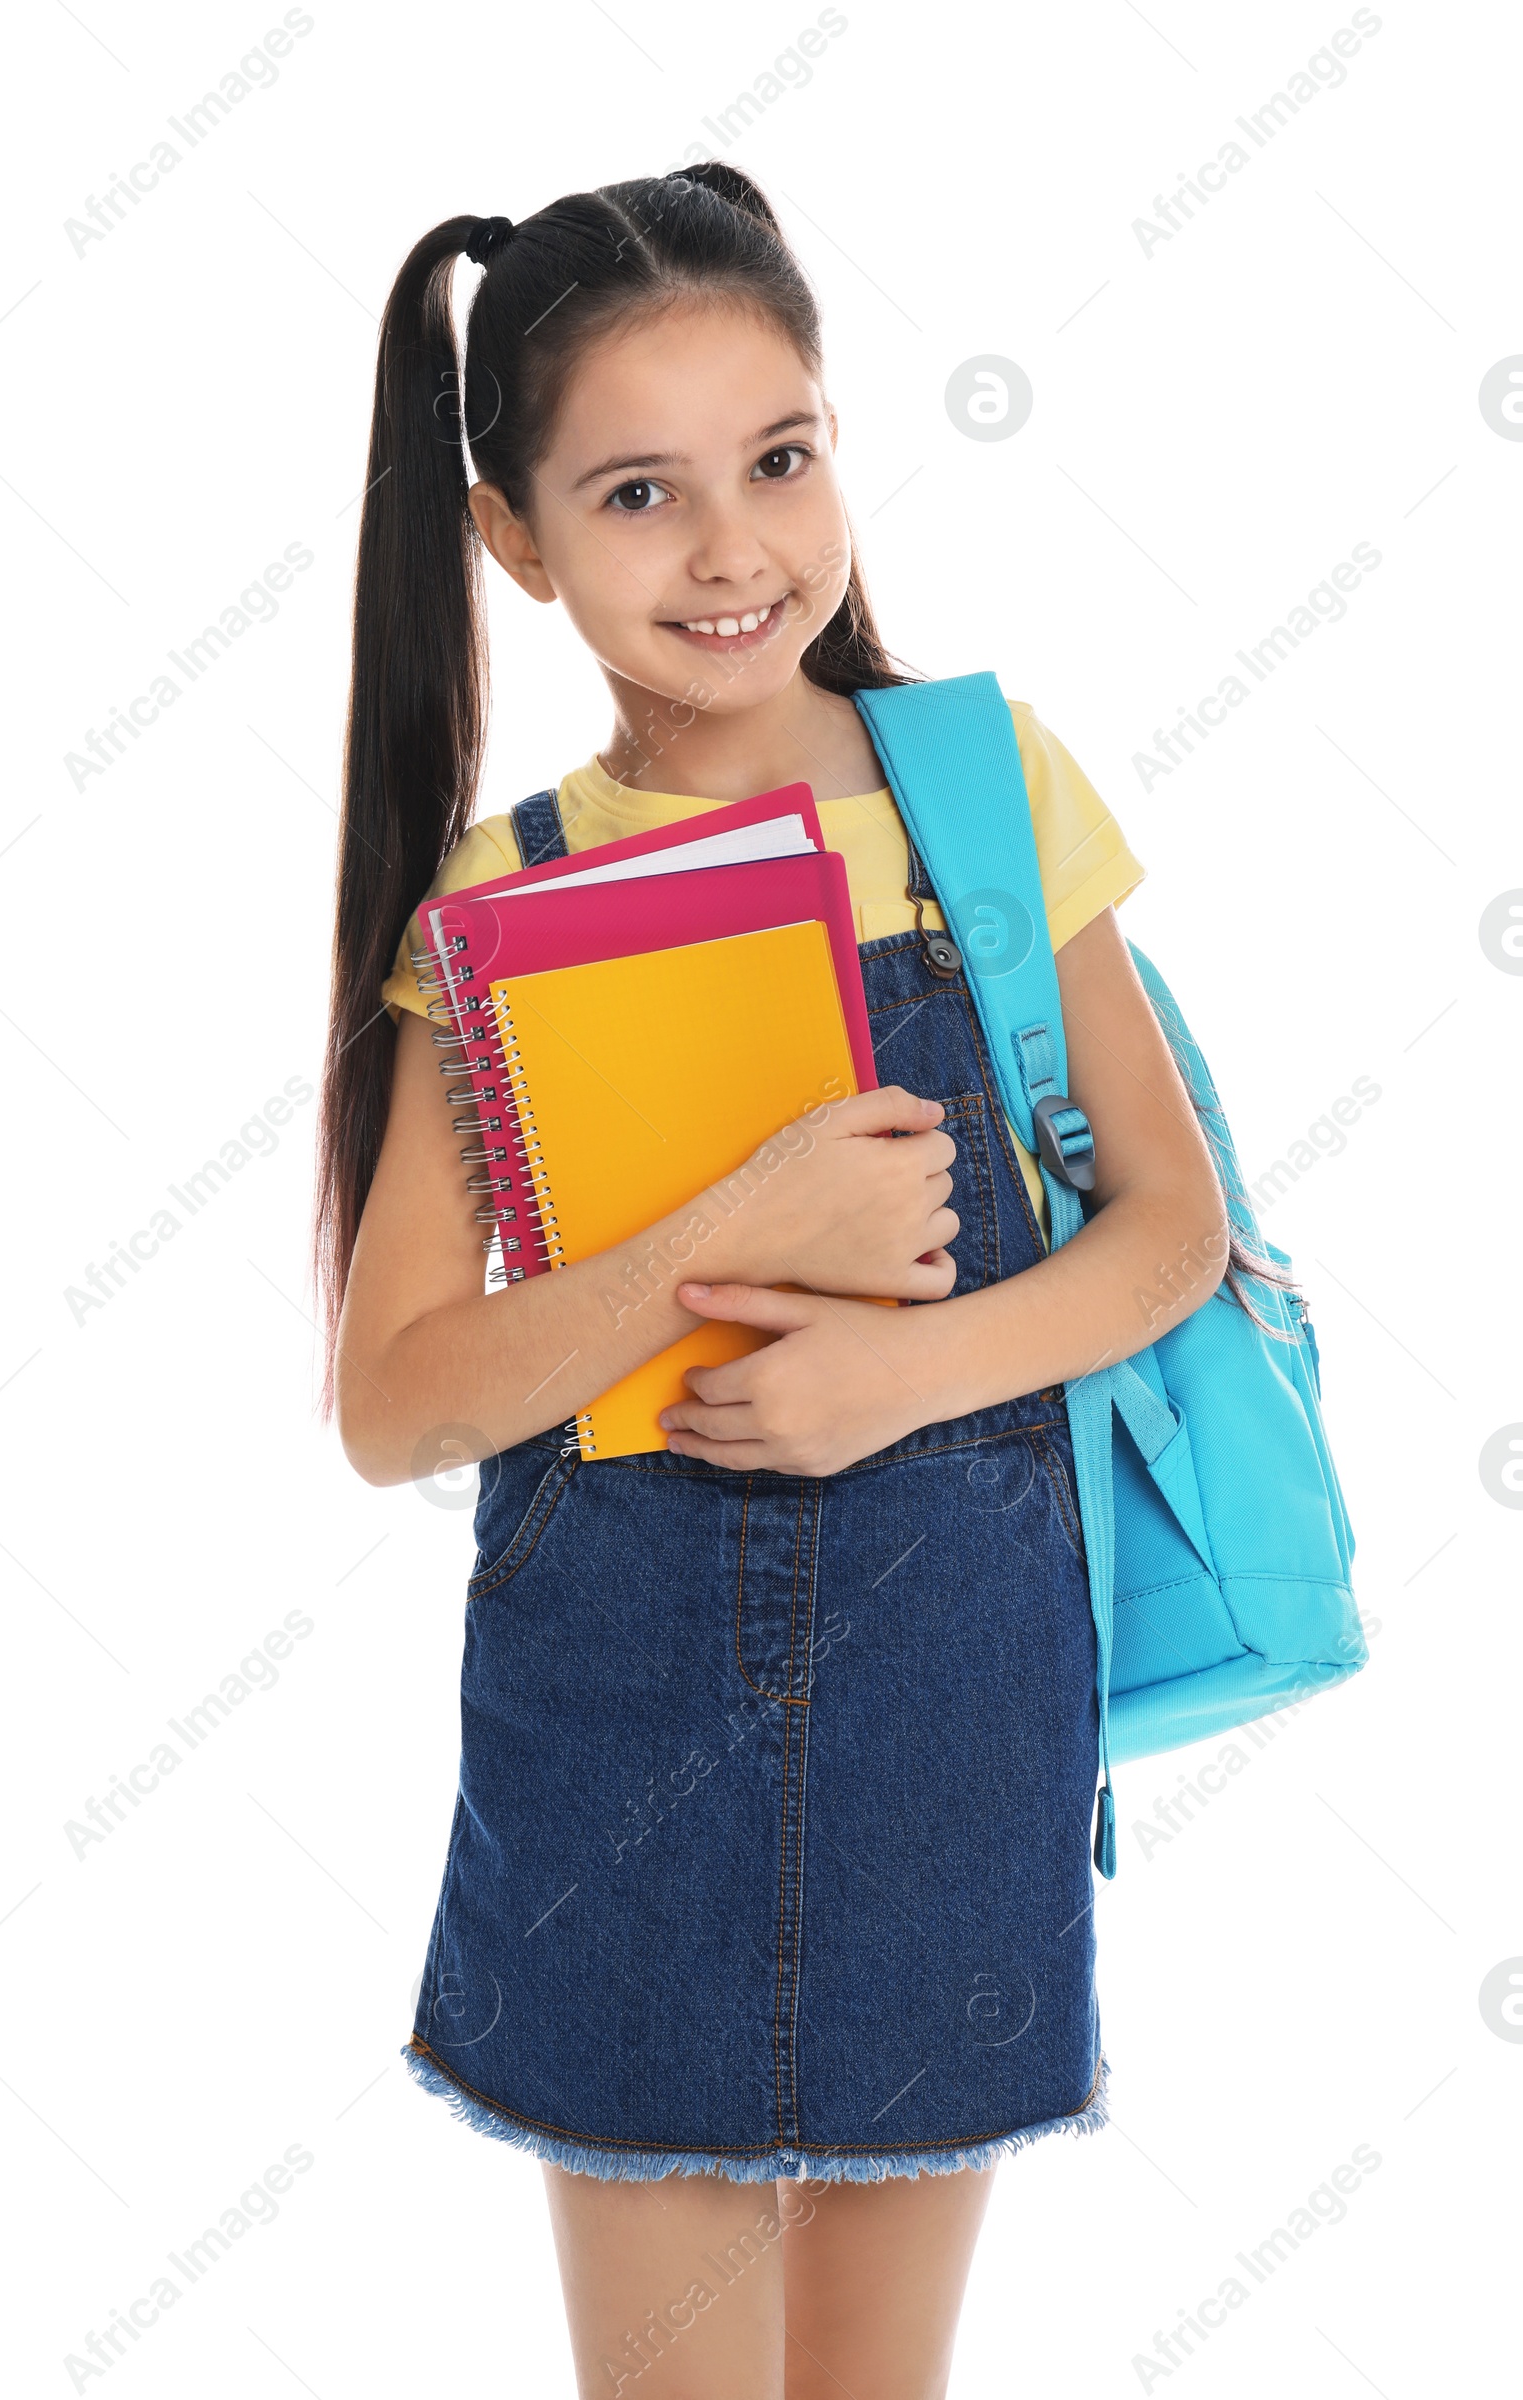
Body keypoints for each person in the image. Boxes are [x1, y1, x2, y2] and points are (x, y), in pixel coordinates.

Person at [315, 164, 1229, 2399]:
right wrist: (721, 1244)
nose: (734, 550)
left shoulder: (977, 797)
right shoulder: (500, 903)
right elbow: (396, 1405)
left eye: (781, 459)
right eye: (638, 493)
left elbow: (1168, 1235)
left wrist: (893, 1384)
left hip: (957, 1699)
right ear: (517, 542)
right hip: (616, 1715)